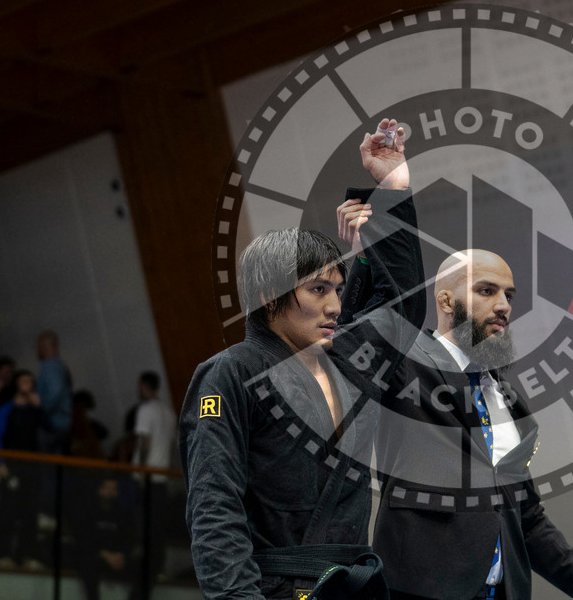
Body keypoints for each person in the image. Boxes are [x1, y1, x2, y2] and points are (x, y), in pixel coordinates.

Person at [179, 118, 425, 599]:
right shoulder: (229, 373)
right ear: (270, 296)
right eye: (318, 290)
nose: (335, 305)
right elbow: (214, 505)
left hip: (352, 587)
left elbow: (403, 311)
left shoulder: (348, 362)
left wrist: (393, 189)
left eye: (337, 289)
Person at [334, 235, 573, 599]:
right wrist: (371, 256)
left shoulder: (507, 400)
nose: (503, 305)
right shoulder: (405, 366)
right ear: (446, 300)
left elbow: (527, 519)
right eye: (487, 291)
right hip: (419, 592)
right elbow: (357, 338)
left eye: (508, 295)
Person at [0, 370, 51, 569]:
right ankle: (2, 553)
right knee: (7, 509)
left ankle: (26, 554)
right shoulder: (7, 408)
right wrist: (0, 463)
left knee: (30, 512)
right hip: (11, 465)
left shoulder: (34, 409)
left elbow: (49, 427)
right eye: (25, 381)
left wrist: (39, 407)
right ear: (17, 384)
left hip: (31, 466)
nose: (29, 385)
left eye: (32, 383)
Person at [130, 371, 175, 580]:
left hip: (147, 475)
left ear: (144, 387)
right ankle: (158, 568)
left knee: (142, 524)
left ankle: (144, 567)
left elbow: (145, 443)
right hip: (162, 476)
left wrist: (140, 471)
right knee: (157, 527)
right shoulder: (169, 413)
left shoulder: (146, 410)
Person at [36, 330, 73, 454]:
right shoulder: (60, 366)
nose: (39, 350)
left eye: (41, 346)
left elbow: (55, 392)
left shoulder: (50, 366)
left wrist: (42, 408)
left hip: (52, 423)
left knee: (49, 465)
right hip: (63, 422)